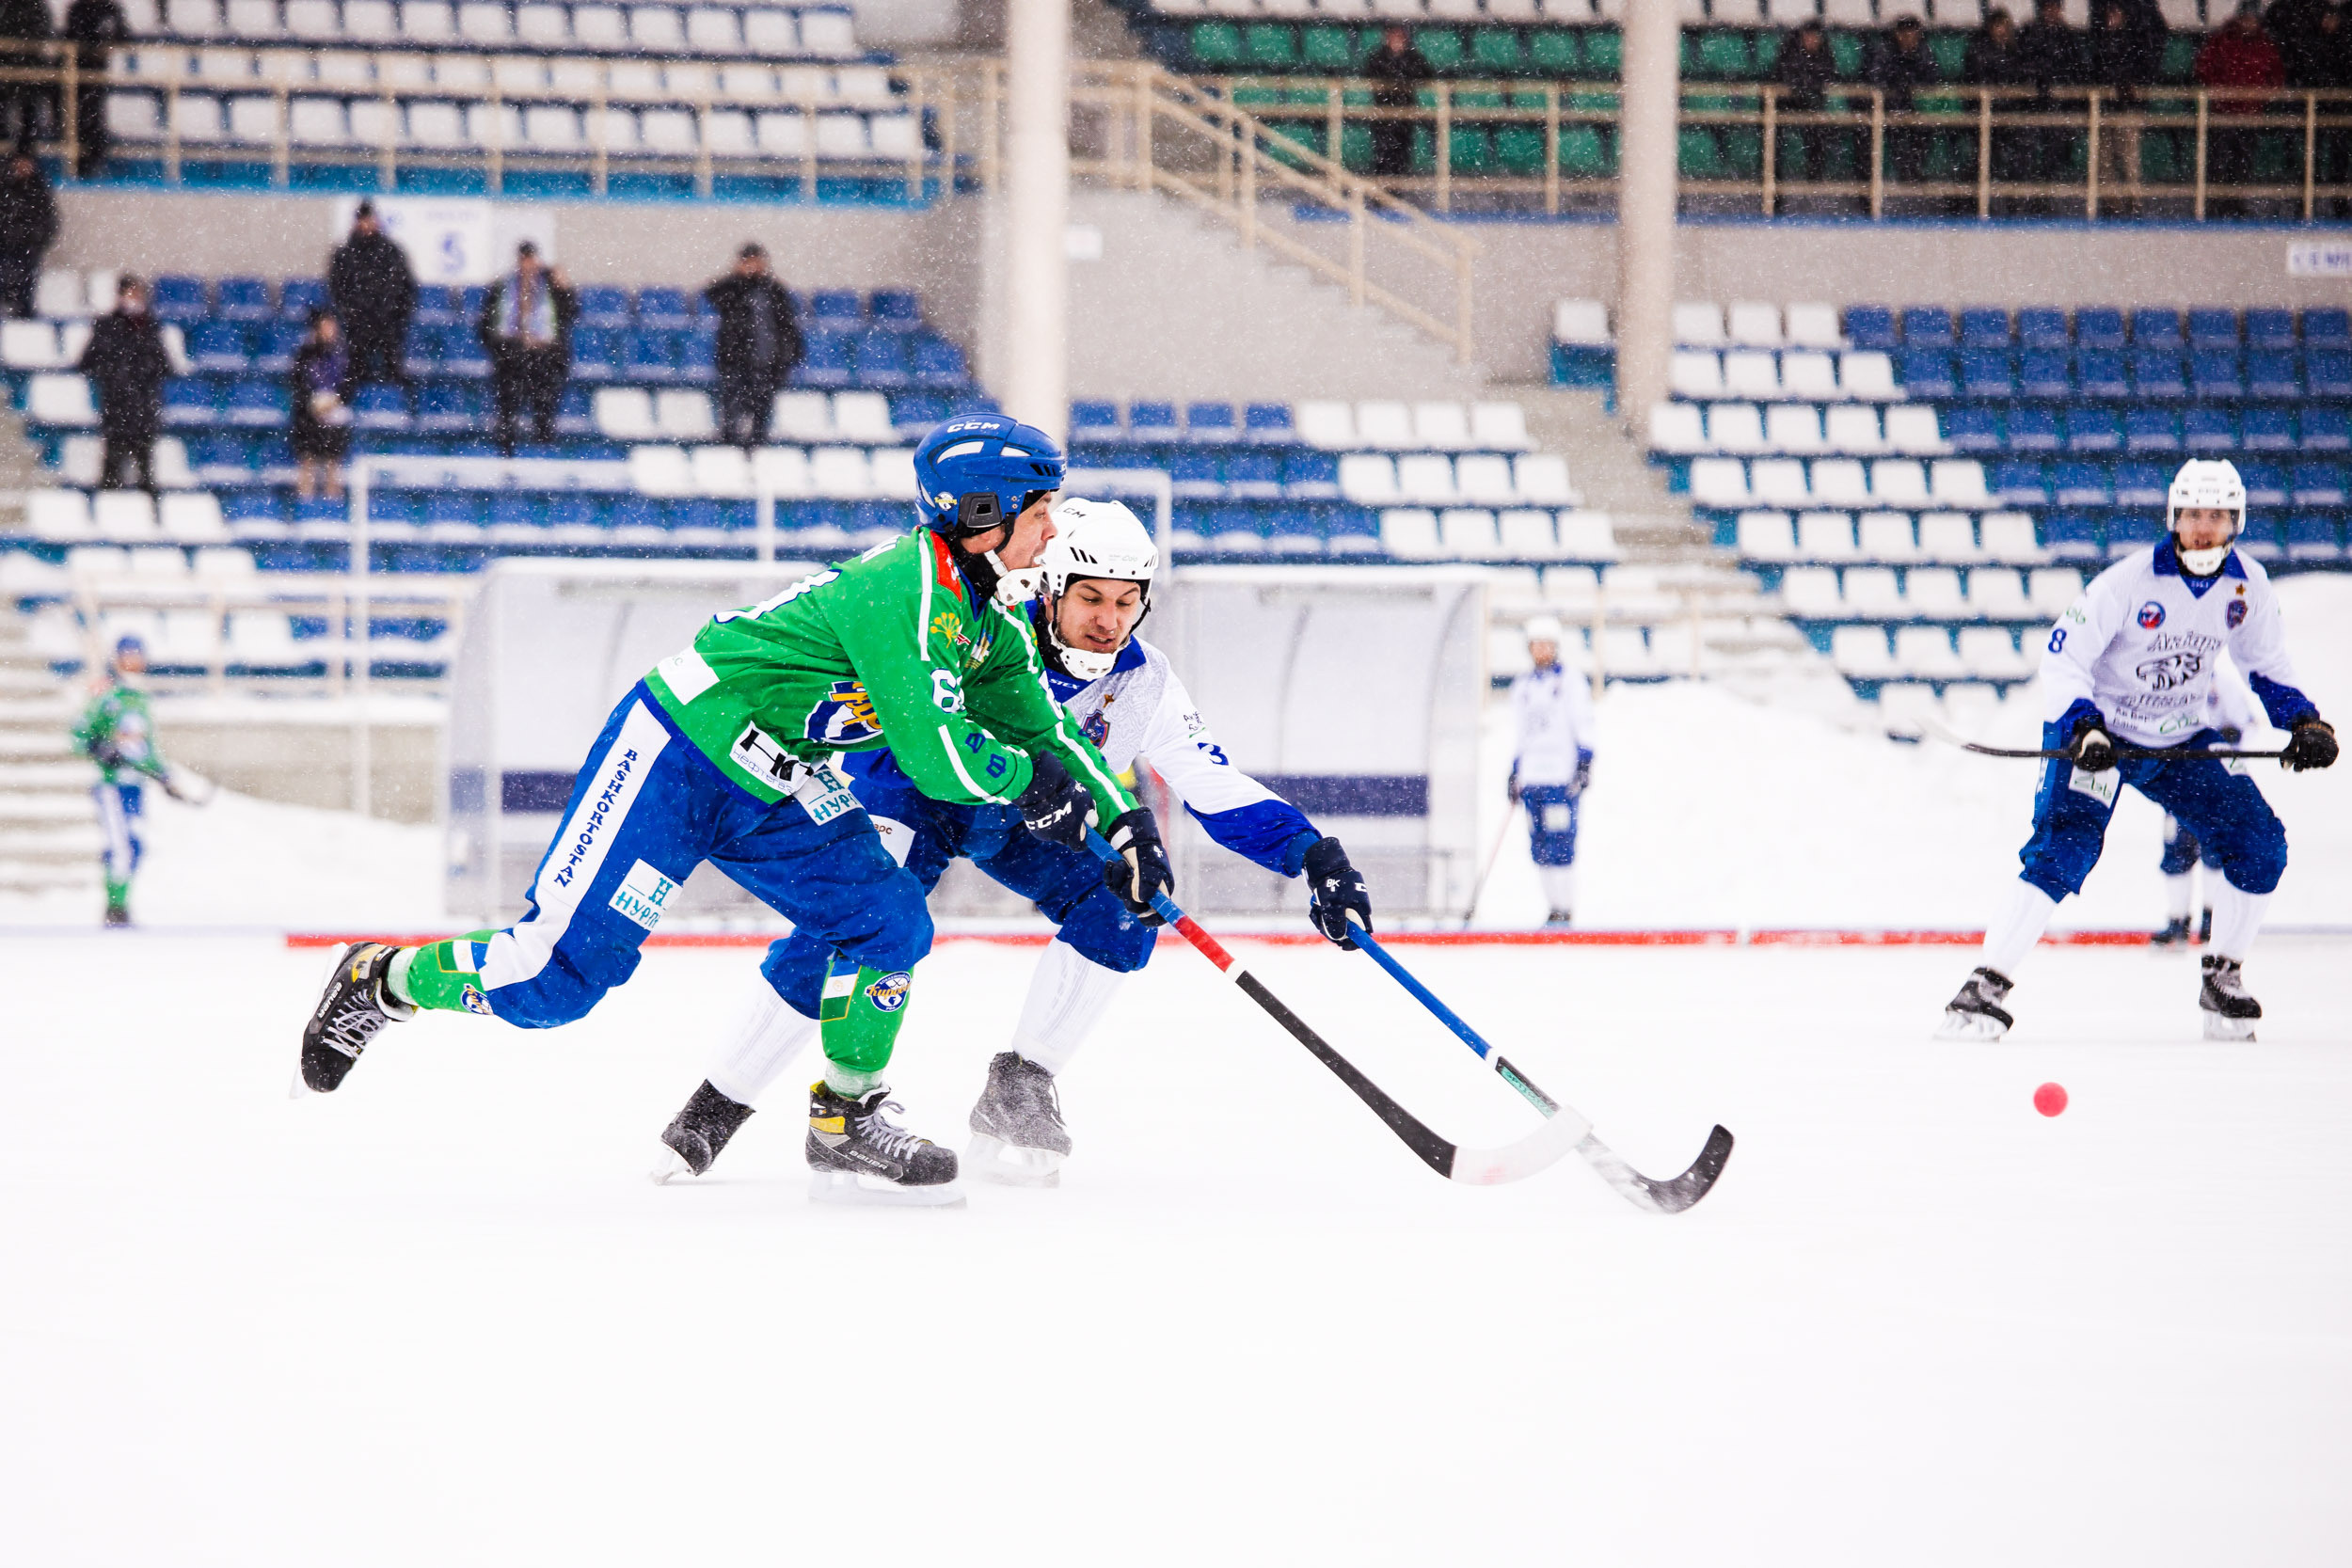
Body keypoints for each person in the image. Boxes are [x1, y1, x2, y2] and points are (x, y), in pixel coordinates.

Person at [294, 414, 1161, 1208]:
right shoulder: (907, 588)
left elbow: (1052, 738)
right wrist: (1032, 783)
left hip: (782, 782)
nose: (1053, 529)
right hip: (680, 754)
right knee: (552, 984)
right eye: (1040, 509)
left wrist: (1125, 823)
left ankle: (845, 1119)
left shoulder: (987, 621)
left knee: (888, 920)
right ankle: (383, 978)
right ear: (985, 511)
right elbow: (940, 756)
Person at [650, 498, 1375, 1189]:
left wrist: (1312, 855)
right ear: (1051, 585)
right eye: (1092, 598)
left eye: (1127, 603)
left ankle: (1021, 1083)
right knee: (857, 924)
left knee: (1125, 903)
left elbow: (1213, 784)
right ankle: (719, 1103)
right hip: (912, 791)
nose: (1108, 621)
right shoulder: (983, 631)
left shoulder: (1147, 682)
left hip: (1026, 822)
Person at [1938, 459, 2338, 1043]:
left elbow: (2266, 664)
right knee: (2063, 851)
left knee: (2258, 842)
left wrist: (2303, 721)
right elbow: (2064, 657)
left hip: (2179, 738)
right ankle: (1984, 985)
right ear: (2174, 516)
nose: (2204, 527)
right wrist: (2085, 728)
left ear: (2237, 521)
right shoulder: (2126, 581)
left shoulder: (2246, 584)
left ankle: (2222, 976)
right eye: (2194, 514)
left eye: (2218, 516)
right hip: (2100, 739)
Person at [2152, 657, 2263, 947]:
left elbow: (2248, 725)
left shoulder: (2222, 683)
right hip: (2180, 782)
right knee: (2176, 850)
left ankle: (2210, 918)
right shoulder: (2167, 684)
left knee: (2215, 851)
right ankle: (2177, 920)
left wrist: (2229, 738)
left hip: (2215, 784)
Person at [73, 634, 174, 927]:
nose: (132, 661)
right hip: (111, 785)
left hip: (135, 784)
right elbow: (80, 734)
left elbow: (145, 747)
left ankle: (122, 904)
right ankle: (115, 908)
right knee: (120, 847)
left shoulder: (140, 699)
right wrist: (100, 748)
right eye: (127, 655)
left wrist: (162, 773)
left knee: (135, 845)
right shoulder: (106, 694)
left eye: (137, 655)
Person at [1507, 615, 1597, 928]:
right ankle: (1552, 908)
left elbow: (1583, 722)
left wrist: (1585, 761)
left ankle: (1566, 907)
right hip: (1533, 778)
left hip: (1561, 777)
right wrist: (1515, 771)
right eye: (1536, 645)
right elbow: (1521, 733)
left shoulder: (1571, 682)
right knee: (1540, 844)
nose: (1541, 650)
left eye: (1547, 644)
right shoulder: (1523, 687)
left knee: (1562, 841)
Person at [476, 240, 576, 456]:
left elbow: (571, 313)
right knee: (508, 411)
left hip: (544, 357)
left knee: (544, 409)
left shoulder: (549, 286)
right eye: (524, 259)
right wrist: (500, 349)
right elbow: (487, 323)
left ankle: (543, 453)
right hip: (512, 357)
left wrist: (565, 288)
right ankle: (507, 455)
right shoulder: (505, 286)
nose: (528, 265)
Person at [703, 242, 802, 451]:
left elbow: (787, 324)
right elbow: (713, 294)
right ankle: (730, 443)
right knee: (733, 403)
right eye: (748, 262)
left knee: (761, 405)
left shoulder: (773, 290)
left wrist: (789, 354)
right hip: (735, 359)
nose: (753, 266)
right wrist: (739, 280)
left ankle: (757, 443)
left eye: (756, 261)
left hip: (766, 360)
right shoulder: (732, 289)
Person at [78, 275, 170, 493]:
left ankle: (148, 505)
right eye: (130, 293)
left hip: (143, 405)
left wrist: (143, 374)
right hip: (116, 404)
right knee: (113, 462)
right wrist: (115, 375)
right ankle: (109, 500)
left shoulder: (150, 326)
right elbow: (88, 361)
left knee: (145, 463)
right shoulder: (107, 325)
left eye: (137, 294)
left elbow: (163, 363)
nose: (134, 299)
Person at [2197, 1, 2288, 201]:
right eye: (2245, 18)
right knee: (2218, 162)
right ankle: (2215, 203)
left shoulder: (2264, 45)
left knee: (2242, 163)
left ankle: (2236, 202)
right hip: (2223, 114)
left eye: (2252, 19)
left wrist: (2264, 94)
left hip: (2250, 114)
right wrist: (2217, 90)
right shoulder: (2222, 41)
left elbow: (2276, 76)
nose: (2248, 23)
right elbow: (2204, 68)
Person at [326, 200, 417, 395]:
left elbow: (407, 289)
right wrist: (353, 315)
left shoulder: (392, 253)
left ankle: (397, 409)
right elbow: (337, 290)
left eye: (369, 220)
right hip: (357, 327)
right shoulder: (345, 254)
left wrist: (395, 316)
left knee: (394, 371)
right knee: (354, 372)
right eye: (363, 220)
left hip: (388, 325)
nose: (366, 225)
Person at [2086, 0, 2169, 206]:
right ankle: (2110, 199)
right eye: (2109, 12)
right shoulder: (2101, 41)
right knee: (2104, 154)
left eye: (2116, 12)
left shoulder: (2137, 39)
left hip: (2128, 104)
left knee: (2128, 152)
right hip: (2106, 103)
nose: (2112, 16)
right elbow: (2096, 67)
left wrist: (2131, 82)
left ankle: (2133, 198)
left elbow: (2149, 57)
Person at [1872, 15, 1947, 189]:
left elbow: (1933, 77)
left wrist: (1909, 82)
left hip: (1913, 108)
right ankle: (1905, 171)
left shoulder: (1923, 52)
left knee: (1925, 127)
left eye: (1913, 34)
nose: (1909, 38)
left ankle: (1913, 169)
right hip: (1890, 108)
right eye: (1906, 34)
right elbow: (1877, 77)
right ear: (1898, 34)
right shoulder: (1885, 51)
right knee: (1894, 129)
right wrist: (1899, 83)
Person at [289, 309, 352, 501]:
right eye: (325, 326)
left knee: (333, 459)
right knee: (308, 459)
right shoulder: (305, 354)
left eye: (332, 326)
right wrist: (312, 404)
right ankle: (305, 503)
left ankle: (333, 501)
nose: (329, 330)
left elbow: (349, 383)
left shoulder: (341, 354)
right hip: (308, 412)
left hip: (334, 409)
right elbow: (298, 381)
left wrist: (335, 400)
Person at [63, 0, 131, 178]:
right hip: (79, 73)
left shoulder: (110, 9)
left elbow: (124, 36)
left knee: (93, 116)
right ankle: (83, 162)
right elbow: (72, 37)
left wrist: (105, 45)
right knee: (80, 116)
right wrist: (92, 47)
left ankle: (93, 159)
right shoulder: (79, 9)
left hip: (99, 74)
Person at [1773, 19, 1844, 185]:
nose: (1812, 41)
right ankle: (1773, 179)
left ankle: (1815, 174)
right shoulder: (1789, 51)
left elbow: (1828, 75)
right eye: (1808, 36)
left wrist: (1807, 90)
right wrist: (1805, 88)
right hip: (1784, 104)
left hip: (1810, 104)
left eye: (1816, 37)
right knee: (1772, 133)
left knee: (1819, 127)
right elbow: (1785, 75)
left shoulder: (1824, 53)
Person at [1364, 25, 1434, 181]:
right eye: (1393, 36)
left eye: (1399, 37)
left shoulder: (1413, 57)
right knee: (1382, 155)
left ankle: (1398, 190)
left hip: (1404, 116)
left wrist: (1401, 76)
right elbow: (1371, 73)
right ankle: (1381, 192)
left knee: (1402, 155)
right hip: (1383, 116)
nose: (1396, 40)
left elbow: (1426, 74)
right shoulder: (1378, 57)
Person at [0, 149, 56, 319]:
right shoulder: (5, 189)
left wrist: (35, 241)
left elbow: (48, 221)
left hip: (28, 247)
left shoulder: (38, 190)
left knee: (26, 276)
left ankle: (22, 310)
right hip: (4, 245)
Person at [0, 0, 54, 150]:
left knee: (30, 105)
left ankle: (26, 151)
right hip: (7, 67)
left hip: (29, 67)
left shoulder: (35, 6)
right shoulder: (6, 7)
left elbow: (41, 33)